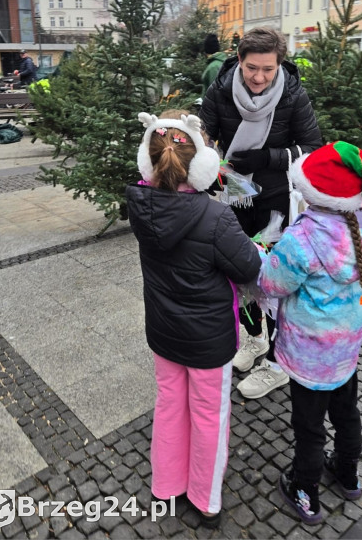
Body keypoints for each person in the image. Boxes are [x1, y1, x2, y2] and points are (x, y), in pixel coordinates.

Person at [125, 110, 261, 528]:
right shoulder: (215, 217)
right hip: (208, 341)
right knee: (208, 415)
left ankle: (166, 486)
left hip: (164, 334)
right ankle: (206, 499)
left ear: (148, 162)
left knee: (168, 406)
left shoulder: (141, 206)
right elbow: (249, 267)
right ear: (202, 165)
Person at [256, 142, 362, 524]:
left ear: (313, 192)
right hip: (345, 351)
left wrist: (268, 254)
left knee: (309, 426)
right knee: (347, 413)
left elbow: (271, 284)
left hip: (308, 355)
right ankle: (347, 472)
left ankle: (304, 489)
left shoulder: (303, 239)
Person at [200, 26, 323, 399]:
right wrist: (208, 171)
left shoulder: (292, 94)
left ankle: (278, 363)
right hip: (234, 196)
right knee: (239, 276)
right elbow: (202, 140)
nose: (258, 77)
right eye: (252, 67)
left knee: (277, 281)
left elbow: (312, 147)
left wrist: (268, 158)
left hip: (274, 200)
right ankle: (254, 339)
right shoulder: (220, 91)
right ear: (239, 60)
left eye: (268, 69)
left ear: (279, 65)